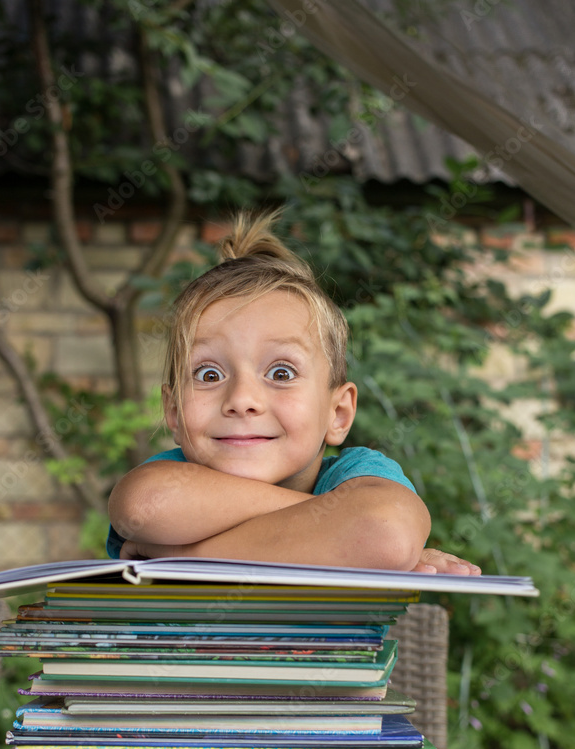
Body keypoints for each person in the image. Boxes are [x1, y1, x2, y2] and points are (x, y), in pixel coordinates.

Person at [107, 210, 480, 576]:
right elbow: (143, 507)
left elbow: (385, 533)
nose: (241, 400)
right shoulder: (171, 476)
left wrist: (183, 555)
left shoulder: (357, 477)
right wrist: (328, 517)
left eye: (281, 372)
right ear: (172, 412)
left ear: (337, 414)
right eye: (208, 373)